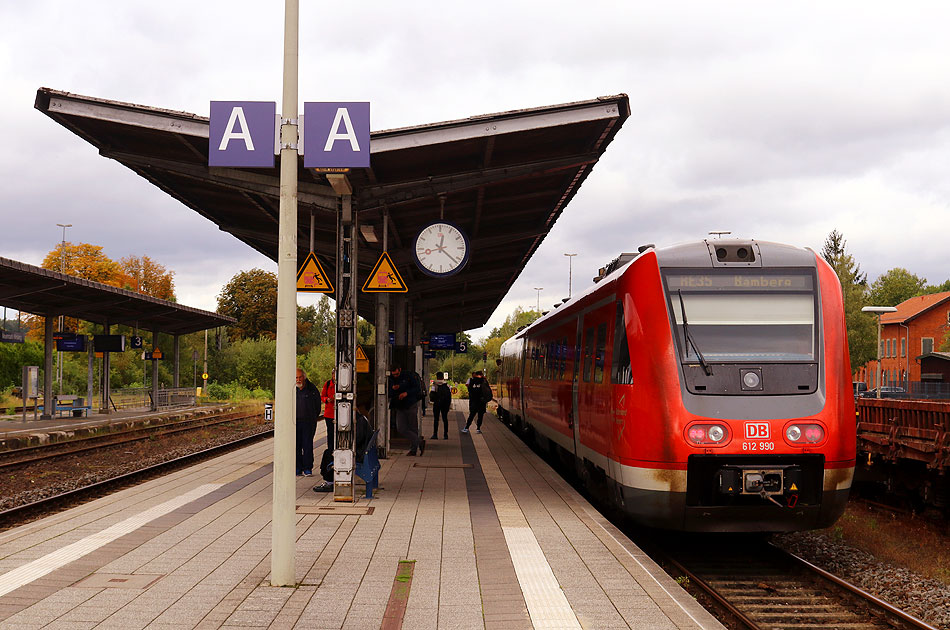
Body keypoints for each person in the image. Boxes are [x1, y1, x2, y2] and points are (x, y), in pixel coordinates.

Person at [389, 364, 425, 456]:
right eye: (394, 375)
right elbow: (389, 392)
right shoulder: (390, 378)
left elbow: (417, 389)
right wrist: (393, 389)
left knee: (413, 427)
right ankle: (419, 441)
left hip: (410, 404)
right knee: (401, 428)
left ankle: (413, 449)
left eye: (397, 374)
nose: (395, 376)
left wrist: (406, 393)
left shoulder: (409, 376)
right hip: (399, 406)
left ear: (400, 369)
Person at [312, 370, 336, 492]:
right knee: (330, 435)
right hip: (329, 414)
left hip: (339, 415)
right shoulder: (327, 384)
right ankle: (331, 448)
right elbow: (322, 396)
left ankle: (333, 449)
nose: (334, 376)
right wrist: (327, 400)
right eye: (333, 374)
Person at [295, 367, 321, 476]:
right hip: (294, 423)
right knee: (296, 446)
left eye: (300, 377)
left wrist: (313, 418)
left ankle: (307, 468)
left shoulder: (312, 389)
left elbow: (317, 406)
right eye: (296, 377)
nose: (298, 380)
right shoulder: (291, 389)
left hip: (308, 422)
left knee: (307, 445)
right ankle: (297, 467)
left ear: (304, 377)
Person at [462, 370, 491, 434]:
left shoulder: (472, 381)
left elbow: (469, 390)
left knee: (471, 415)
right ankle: (478, 429)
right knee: (480, 416)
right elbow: (488, 391)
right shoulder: (484, 381)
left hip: (474, 401)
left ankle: (466, 428)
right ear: (481, 375)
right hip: (482, 402)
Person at [429, 372, 452, 440]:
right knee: (445, 419)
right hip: (445, 404)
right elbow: (449, 395)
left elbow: (432, 394)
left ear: (437, 377)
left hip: (437, 403)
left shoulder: (434, 385)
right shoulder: (447, 385)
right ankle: (445, 435)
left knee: (436, 419)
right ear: (443, 377)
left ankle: (435, 434)